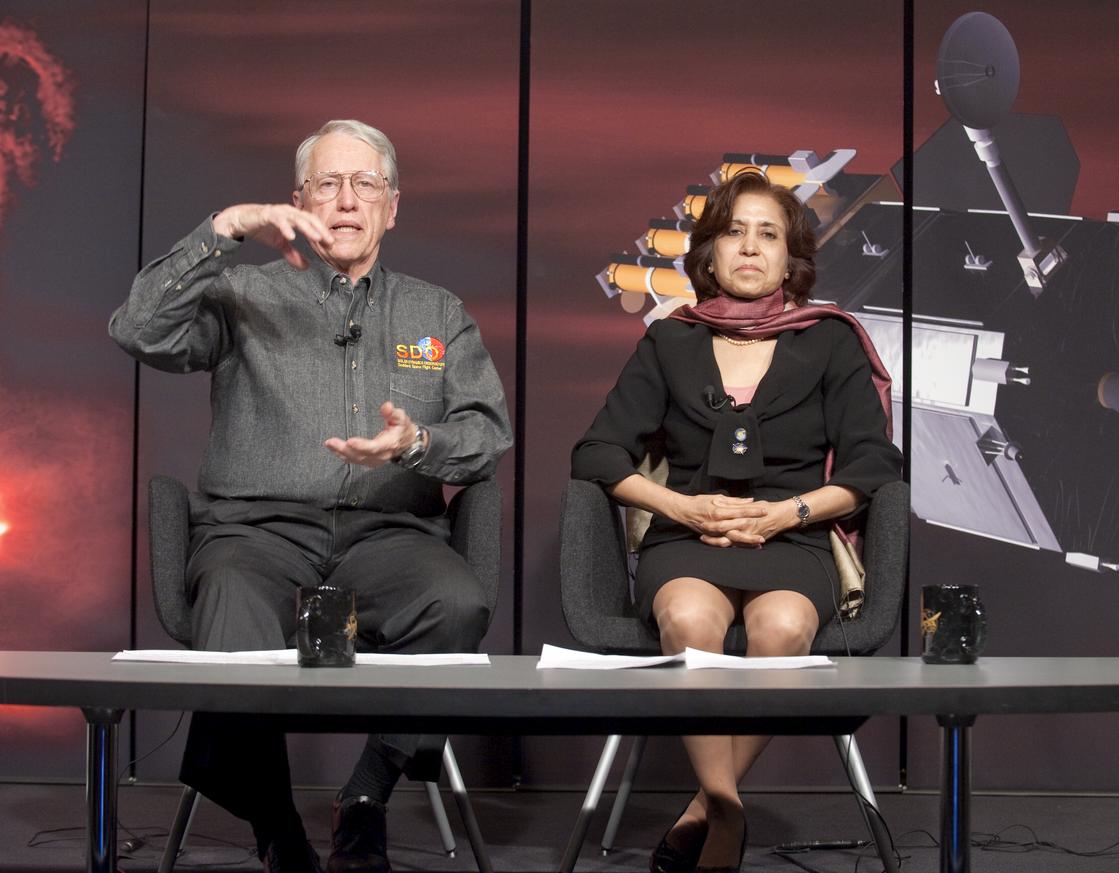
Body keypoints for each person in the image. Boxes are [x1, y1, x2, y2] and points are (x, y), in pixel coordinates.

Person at [109, 119, 511, 873]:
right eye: (329, 182)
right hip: (256, 533)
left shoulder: (437, 312)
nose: (347, 199)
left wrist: (418, 444)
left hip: (390, 535)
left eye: (367, 184)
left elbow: (488, 430)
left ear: (394, 207)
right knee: (227, 600)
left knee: (455, 602)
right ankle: (274, 821)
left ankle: (365, 795)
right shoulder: (242, 292)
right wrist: (224, 229)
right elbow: (138, 328)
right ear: (298, 200)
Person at [571, 170, 902, 873]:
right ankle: (727, 809)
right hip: (687, 538)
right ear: (710, 255)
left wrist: (793, 511)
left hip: (795, 537)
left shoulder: (830, 342)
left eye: (768, 234)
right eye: (733, 231)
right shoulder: (671, 342)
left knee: (782, 628)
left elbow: (873, 466)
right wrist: (681, 506)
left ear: (791, 258)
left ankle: (704, 807)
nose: (749, 247)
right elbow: (598, 451)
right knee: (690, 618)